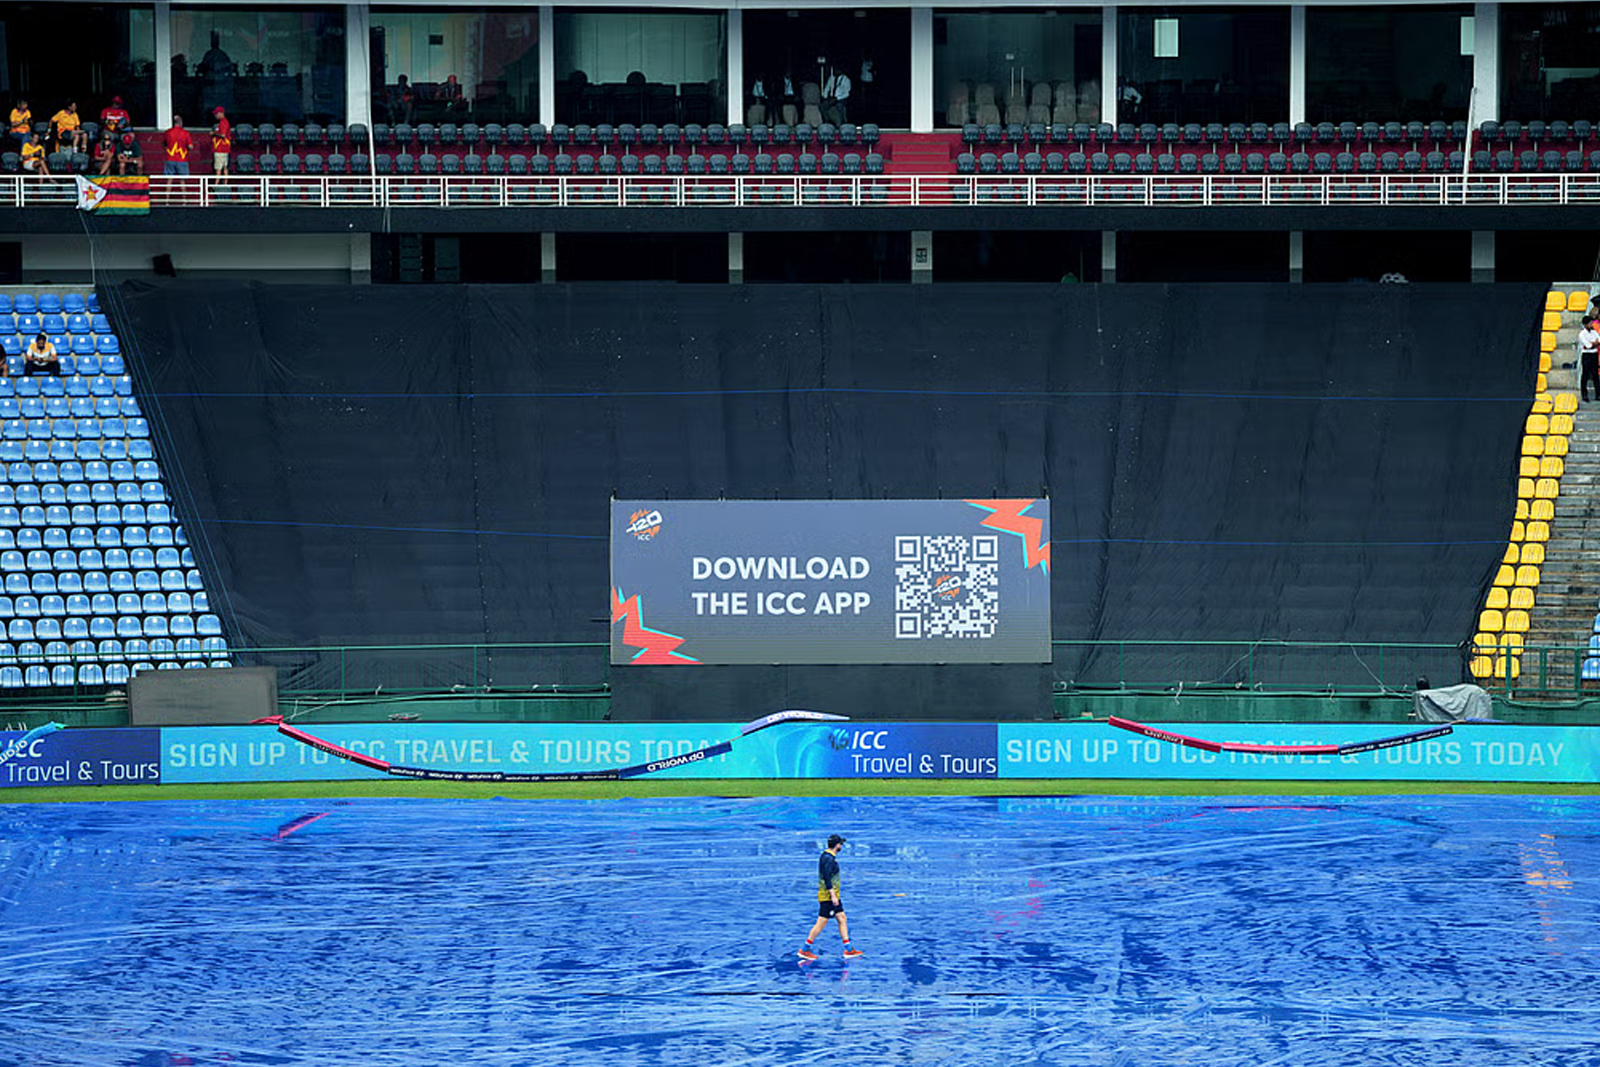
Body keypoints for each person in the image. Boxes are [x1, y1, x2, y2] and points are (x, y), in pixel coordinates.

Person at [798, 834, 863, 961]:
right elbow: (827, 878)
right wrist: (833, 895)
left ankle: (849, 949)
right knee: (821, 922)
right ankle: (804, 950)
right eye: (840, 844)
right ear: (837, 845)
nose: (841, 846)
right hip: (828, 897)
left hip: (833, 896)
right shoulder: (828, 859)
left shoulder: (827, 856)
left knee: (842, 918)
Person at [1579, 316, 1600, 403]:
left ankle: (1598, 394)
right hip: (1587, 355)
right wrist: (1593, 344)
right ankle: (1584, 394)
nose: (1591, 325)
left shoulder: (1594, 332)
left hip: (1594, 354)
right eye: (1590, 323)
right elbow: (1588, 345)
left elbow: (1598, 340)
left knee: (1596, 375)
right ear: (1585, 324)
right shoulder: (1582, 334)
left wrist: (1594, 344)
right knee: (1585, 374)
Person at [210, 106, 232, 176]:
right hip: (222, 149)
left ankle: (217, 184)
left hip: (221, 149)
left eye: (216, 114)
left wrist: (214, 133)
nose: (215, 115)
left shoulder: (223, 122)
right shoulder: (222, 122)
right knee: (224, 167)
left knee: (218, 168)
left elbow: (223, 135)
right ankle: (224, 184)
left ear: (221, 113)